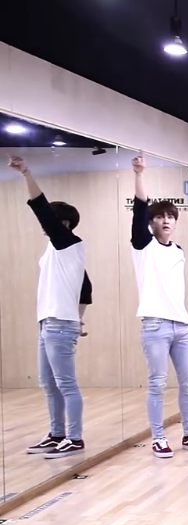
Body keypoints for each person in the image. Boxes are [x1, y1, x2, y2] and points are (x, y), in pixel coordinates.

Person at [10, 155, 93, 459]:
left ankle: (75, 437)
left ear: (64, 224)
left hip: (59, 325)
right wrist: (79, 320)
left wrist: (26, 173)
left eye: (52, 222)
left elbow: (41, 208)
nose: (45, 226)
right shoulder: (56, 250)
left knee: (66, 384)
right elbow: (86, 287)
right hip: (48, 323)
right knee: (48, 383)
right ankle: (57, 433)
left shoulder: (69, 243)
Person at [130, 152, 188, 458]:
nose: (165, 221)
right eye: (160, 217)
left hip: (182, 326)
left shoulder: (178, 249)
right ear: (151, 223)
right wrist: (139, 174)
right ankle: (158, 437)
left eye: (170, 217)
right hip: (155, 325)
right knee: (158, 383)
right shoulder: (143, 245)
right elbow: (139, 210)